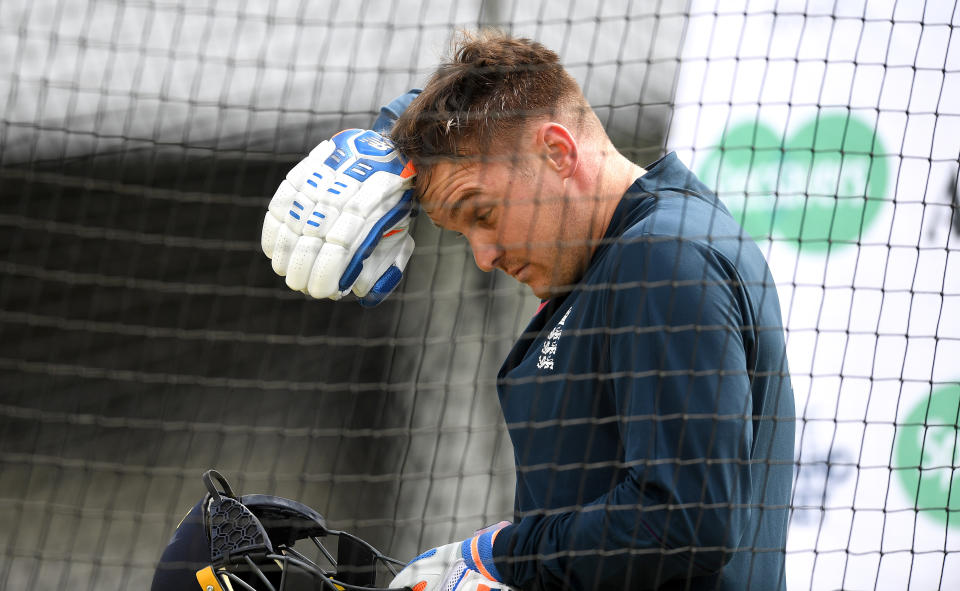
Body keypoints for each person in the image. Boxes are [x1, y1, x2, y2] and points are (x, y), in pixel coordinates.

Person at [263, 30, 795, 591]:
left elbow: (683, 523)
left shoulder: (662, 257)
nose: (484, 256)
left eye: (482, 214)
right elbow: (500, 97)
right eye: (460, 230)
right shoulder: (627, 251)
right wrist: (386, 143)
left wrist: (500, 557)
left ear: (558, 152)